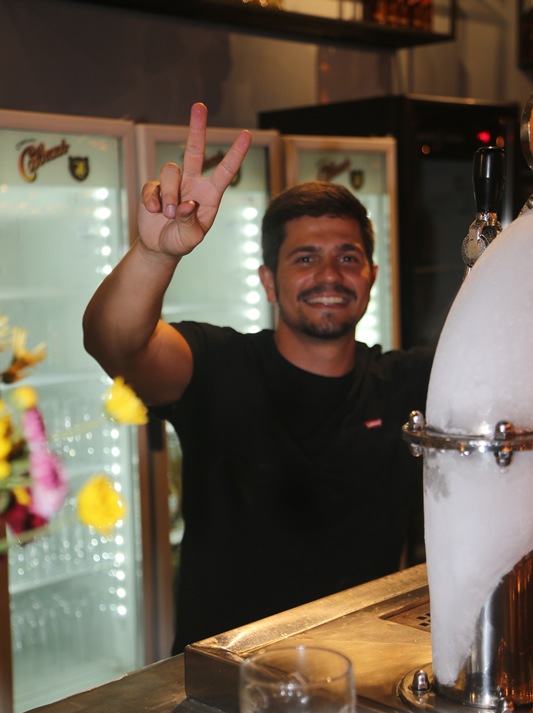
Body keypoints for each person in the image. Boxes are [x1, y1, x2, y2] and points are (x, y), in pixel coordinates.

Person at [83, 103, 432, 655]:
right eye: (305, 259)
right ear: (269, 282)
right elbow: (115, 343)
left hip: (362, 672)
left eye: (348, 258)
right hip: (225, 682)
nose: (329, 275)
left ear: (370, 275)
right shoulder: (219, 365)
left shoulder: (405, 384)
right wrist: (153, 254)